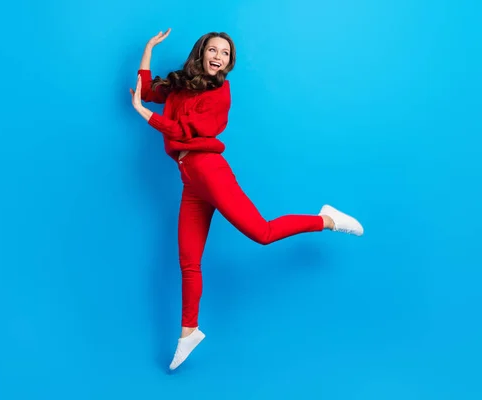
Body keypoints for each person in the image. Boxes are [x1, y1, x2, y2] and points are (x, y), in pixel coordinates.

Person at [130, 29, 364, 370]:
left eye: (225, 54)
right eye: (213, 50)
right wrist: (148, 49)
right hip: (190, 180)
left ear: (229, 62)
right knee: (189, 261)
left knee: (263, 233)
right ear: (202, 52)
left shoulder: (220, 92)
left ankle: (326, 219)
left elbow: (183, 131)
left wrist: (145, 114)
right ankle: (189, 331)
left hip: (209, 170)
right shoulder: (181, 83)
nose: (219, 57)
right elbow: (148, 91)